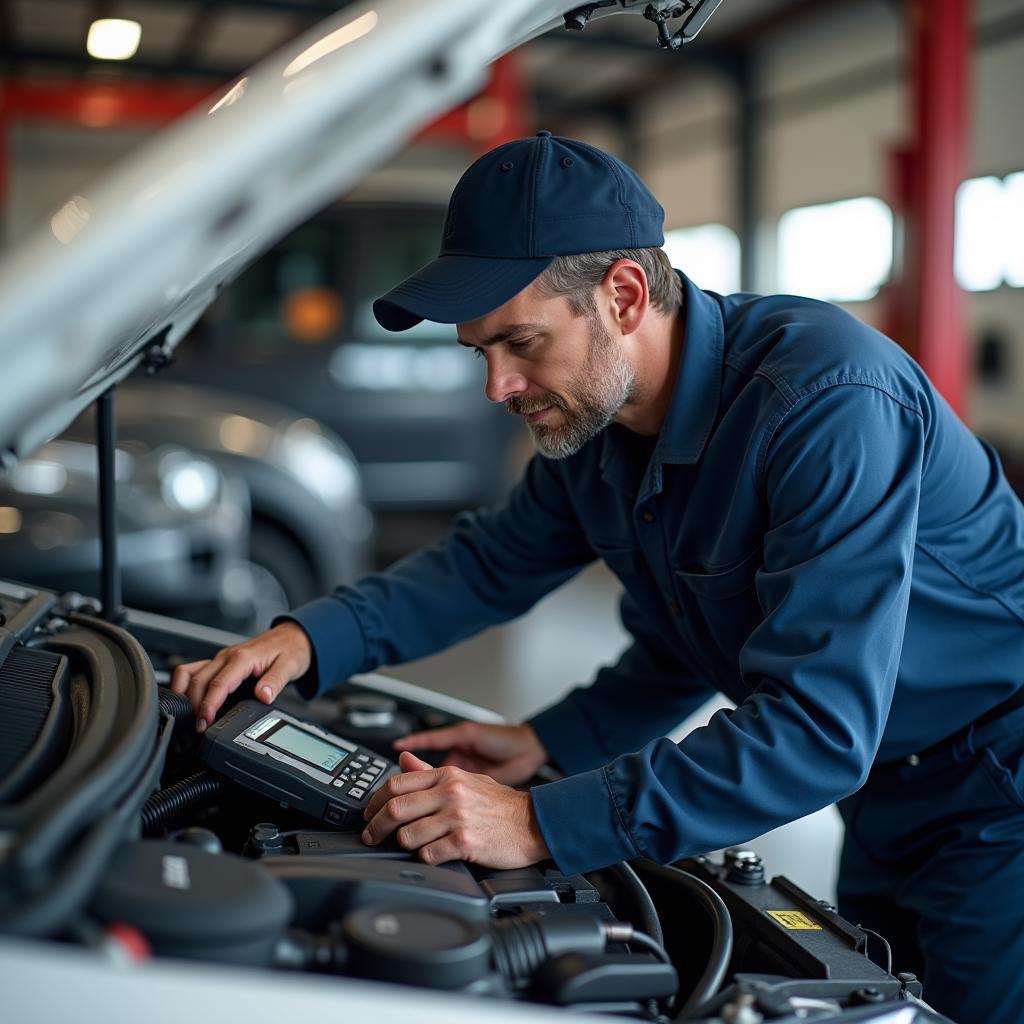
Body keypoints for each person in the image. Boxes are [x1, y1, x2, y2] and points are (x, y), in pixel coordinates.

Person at [172, 131, 1024, 1023]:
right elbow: (506, 570)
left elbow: (817, 725)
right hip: (889, 788)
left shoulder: (828, 404)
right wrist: (308, 641)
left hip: (996, 777)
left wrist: (541, 822)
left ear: (622, 294)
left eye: (521, 342)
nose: (498, 386)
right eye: (480, 353)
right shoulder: (596, 425)